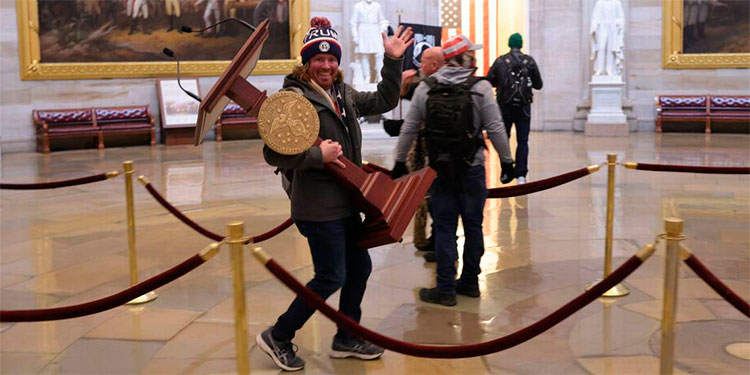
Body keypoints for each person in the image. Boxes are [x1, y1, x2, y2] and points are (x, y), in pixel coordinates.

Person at [258, 17, 413, 372]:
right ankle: (278, 335)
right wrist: (317, 156)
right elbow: (272, 153)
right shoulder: (292, 98)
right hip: (316, 206)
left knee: (359, 266)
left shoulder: (343, 94)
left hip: (345, 201)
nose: (326, 65)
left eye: (331, 59)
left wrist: (392, 61)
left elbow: (386, 99)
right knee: (331, 275)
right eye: (318, 59)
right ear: (306, 62)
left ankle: (347, 336)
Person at [392, 35, 514, 307]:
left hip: (440, 169)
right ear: (464, 58)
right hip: (471, 167)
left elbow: (410, 127)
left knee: (445, 227)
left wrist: (399, 161)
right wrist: (507, 161)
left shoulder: (427, 87)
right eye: (472, 54)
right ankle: (470, 282)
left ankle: (445, 288)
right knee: (473, 226)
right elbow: (495, 127)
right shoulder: (480, 87)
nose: (475, 57)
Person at [487, 33, 543, 185]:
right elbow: (539, 84)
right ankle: (521, 175)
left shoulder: (500, 61)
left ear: (509, 44)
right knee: (523, 141)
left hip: (504, 106)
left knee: (503, 139)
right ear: (521, 44)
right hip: (524, 108)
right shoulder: (529, 61)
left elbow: (489, 81)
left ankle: (506, 171)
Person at [350, 0, 390, 83]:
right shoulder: (358, 6)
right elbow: (353, 22)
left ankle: (380, 76)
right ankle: (366, 77)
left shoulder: (377, 6)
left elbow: (382, 19)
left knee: (379, 54)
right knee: (364, 55)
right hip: (363, 31)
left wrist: (383, 28)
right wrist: (355, 36)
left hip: (375, 30)